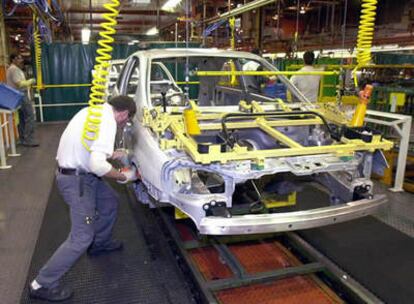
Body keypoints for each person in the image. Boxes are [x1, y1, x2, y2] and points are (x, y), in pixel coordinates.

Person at [29, 95, 138, 302]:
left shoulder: (93, 112)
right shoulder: (108, 122)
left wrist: (111, 153)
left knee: (110, 202)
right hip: (76, 181)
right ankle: (41, 283)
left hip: (82, 173)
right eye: (127, 121)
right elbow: (97, 166)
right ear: (123, 114)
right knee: (81, 237)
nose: (125, 124)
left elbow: (88, 147)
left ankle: (100, 243)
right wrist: (124, 176)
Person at [6, 53, 38, 147]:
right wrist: (30, 81)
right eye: (19, 58)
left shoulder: (13, 69)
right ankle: (28, 139)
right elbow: (19, 83)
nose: (21, 60)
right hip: (20, 95)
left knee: (22, 118)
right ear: (13, 59)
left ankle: (22, 139)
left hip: (16, 96)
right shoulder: (14, 69)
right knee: (29, 116)